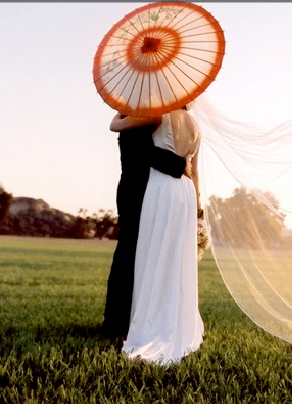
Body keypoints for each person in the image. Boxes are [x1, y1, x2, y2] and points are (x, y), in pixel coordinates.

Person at [113, 104, 204, 365]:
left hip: (162, 188)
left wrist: (119, 113)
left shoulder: (156, 115)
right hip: (186, 193)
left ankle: (153, 321)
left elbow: (115, 126)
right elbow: (194, 172)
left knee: (154, 252)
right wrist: (196, 210)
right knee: (176, 257)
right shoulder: (196, 126)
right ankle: (177, 318)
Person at [101, 114, 187, 339]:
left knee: (134, 257)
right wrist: (180, 163)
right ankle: (117, 323)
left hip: (139, 191)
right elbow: (142, 152)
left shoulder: (131, 115)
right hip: (137, 194)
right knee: (128, 257)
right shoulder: (142, 117)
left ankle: (123, 320)